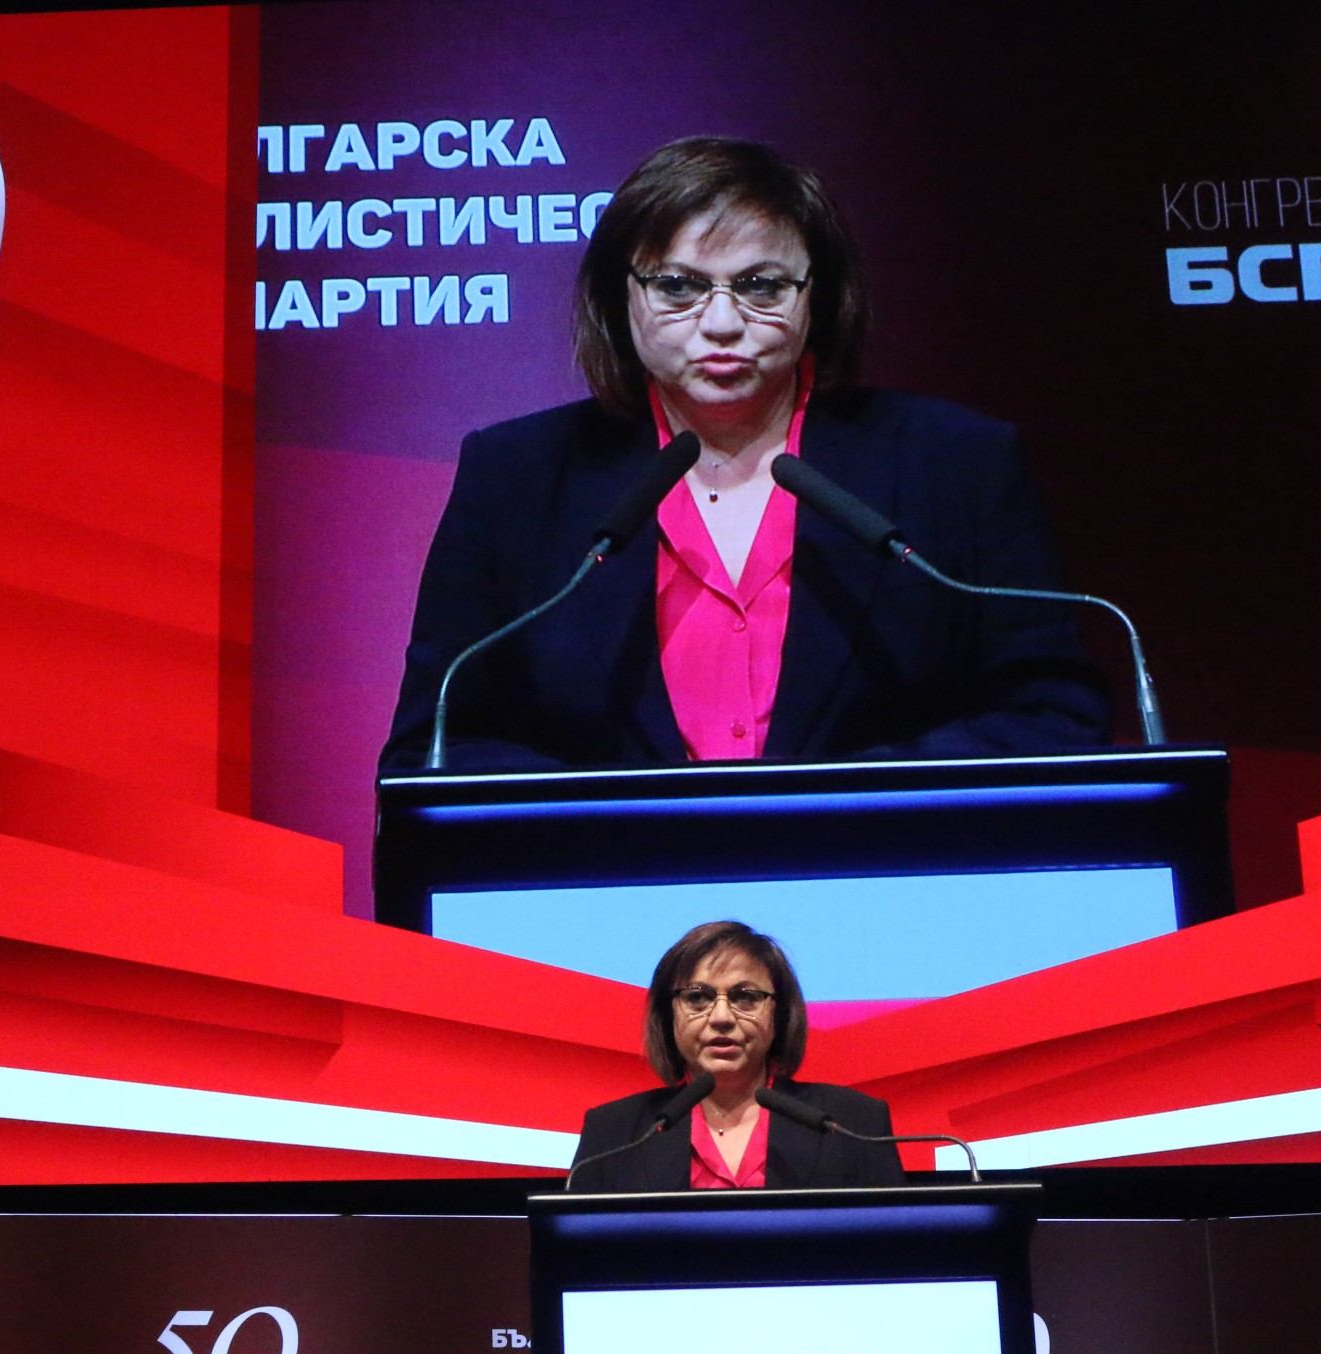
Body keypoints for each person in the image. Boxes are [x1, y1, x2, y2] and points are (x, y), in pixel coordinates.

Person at [381, 136, 1107, 775]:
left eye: (761, 286)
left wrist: (838, 803)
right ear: (619, 296)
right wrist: (622, 822)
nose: (723, 323)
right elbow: (436, 747)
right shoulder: (515, 477)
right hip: (613, 877)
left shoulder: (957, 462)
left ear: (817, 295)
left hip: (885, 866)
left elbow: (1055, 716)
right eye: (678, 286)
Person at [567, 920, 905, 1192]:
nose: (722, 1017)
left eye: (745, 997)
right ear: (669, 1016)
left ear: (779, 1015)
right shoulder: (615, 1133)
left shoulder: (853, 1123)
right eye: (697, 998)